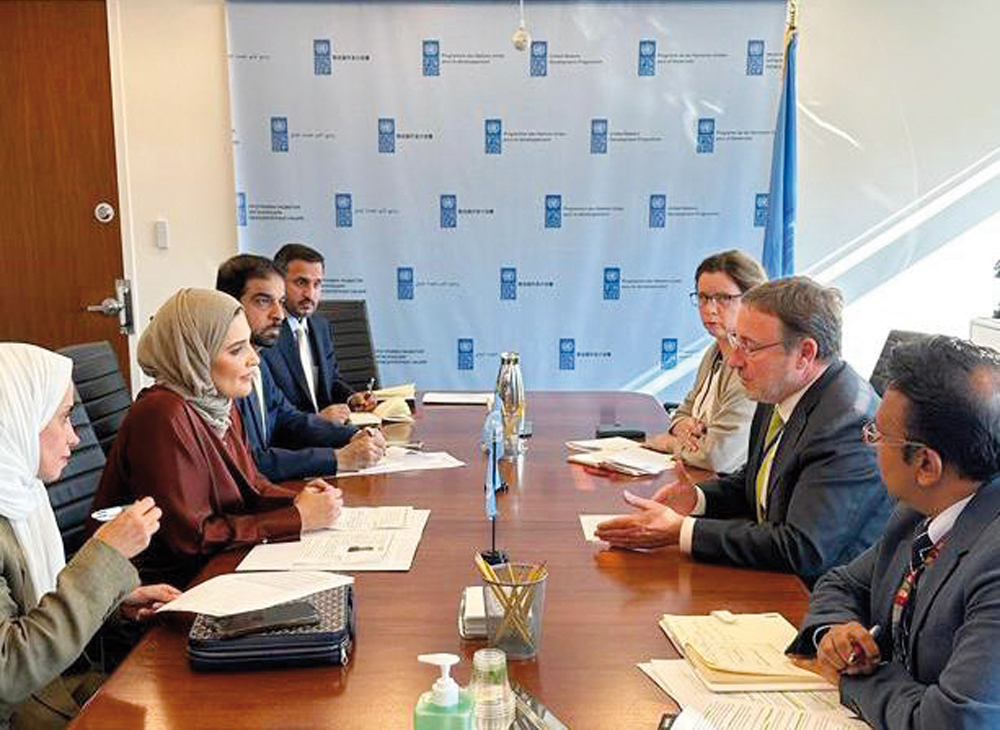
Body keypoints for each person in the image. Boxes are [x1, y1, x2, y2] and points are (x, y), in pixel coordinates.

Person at [596, 276, 893, 586]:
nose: (734, 360)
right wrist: (696, 499)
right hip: (773, 578)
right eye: (737, 340)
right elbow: (757, 480)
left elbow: (803, 548)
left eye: (749, 346)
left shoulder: (847, 422)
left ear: (805, 353)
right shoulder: (779, 387)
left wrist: (682, 531)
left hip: (817, 603)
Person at [787, 336, 1000, 729]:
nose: (870, 445)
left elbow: (953, 722)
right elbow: (841, 583)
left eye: (878, 435)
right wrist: (836, 632)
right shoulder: (918, 513)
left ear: (925, 464)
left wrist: (856, 679)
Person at [91, 289, 343, 587]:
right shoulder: (161, 414)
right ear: (194, 355)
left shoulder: (218, 403)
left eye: (249, 343)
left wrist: (298, 501)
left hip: (215, 570)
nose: (255, 360)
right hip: (167, 590)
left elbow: (250, 485)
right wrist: (297, 518)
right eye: (236, 350)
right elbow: (192, 539)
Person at [0, 343, 179, 729]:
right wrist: (105, 556)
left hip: (61, 687)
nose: (75, 438)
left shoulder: (21, 491)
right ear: (17, 418)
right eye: (63, 418)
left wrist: (115, 599)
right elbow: (9, 670)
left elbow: (31, 604)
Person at [216, 255, 385, 481]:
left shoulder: (258, 361)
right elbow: (249, 462)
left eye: (280, 301)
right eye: (263, 301)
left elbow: (290, 420)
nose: (279, 314)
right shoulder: (220, 374)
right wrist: (337, 458)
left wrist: (353, 435)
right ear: (230, 304)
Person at [646, 250, 766, 472]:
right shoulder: (714, 351)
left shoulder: (753, 365)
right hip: (701, 476)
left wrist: (670, 443)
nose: (710, 309)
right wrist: (682, 426)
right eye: (703, 297)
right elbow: (684, 410)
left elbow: (717, 457)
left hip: (731, 491)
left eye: (724, 298)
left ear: (752, 299)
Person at [262, 243, 377, 421]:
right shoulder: (266, 333)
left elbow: (331, 380)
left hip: (329, 432)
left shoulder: (320, 325)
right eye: (301, 283)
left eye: (317, 284)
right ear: (279, 283)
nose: (310, 294)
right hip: (294, 441)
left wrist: (352, 398)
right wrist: (317, 420)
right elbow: (271, 413)